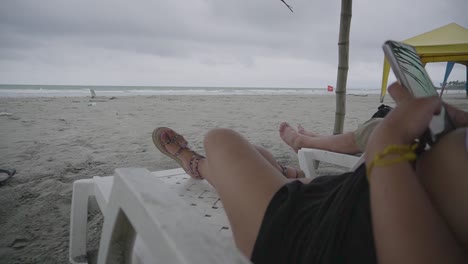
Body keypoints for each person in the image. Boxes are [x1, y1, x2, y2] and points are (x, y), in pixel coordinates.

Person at [152, 83, 468, 263]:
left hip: (318, 237)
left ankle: (196, 164)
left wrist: (388, 141)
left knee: (219, 139)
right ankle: (285, 172)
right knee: (258, 155)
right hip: (345, 198)